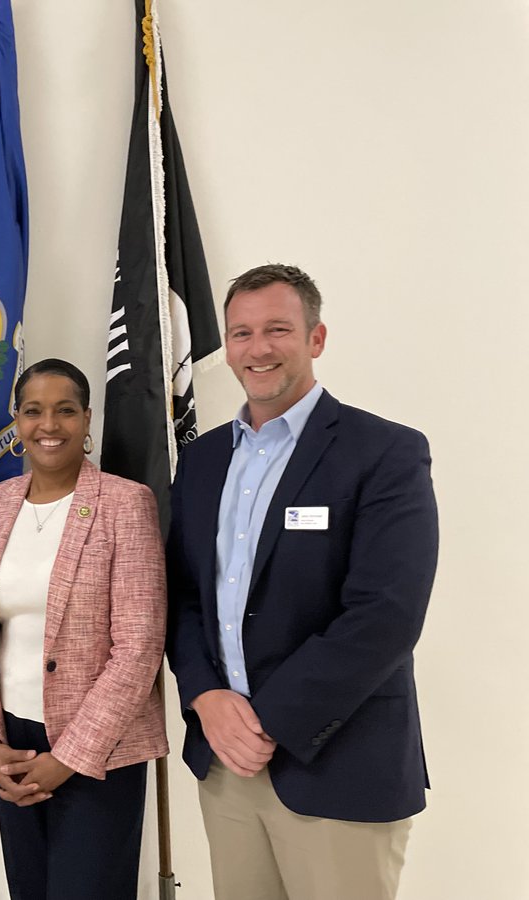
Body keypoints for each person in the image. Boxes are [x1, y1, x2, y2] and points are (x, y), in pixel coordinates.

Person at [166, 264, 439, 900]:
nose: (257, 348)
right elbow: (182, 595)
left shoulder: (385, 453)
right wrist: (205, 697)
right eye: (241, 333)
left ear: (316, 338)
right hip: (225, 766)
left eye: (278, 329)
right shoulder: (202, 460)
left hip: (338, 763)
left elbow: (386, 615)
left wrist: (267, 721)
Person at [0, 358, 167, 900]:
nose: (49, 425)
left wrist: (68, 758)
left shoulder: (125, 503)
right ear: (17, 421)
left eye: (65, 410)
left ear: (87, 418)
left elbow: (139, 647)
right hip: (13, 745)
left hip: (100, 750)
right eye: (34, 411)